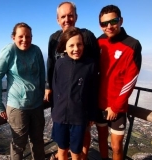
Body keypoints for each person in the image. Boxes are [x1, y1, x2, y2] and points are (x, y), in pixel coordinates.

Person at [44, 2, 100, 160]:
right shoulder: (54, 39)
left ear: (76, 17)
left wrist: (91, 110)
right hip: (62, 108)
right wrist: (48, 87)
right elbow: (51, 65)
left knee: (81, 139)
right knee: (62, 146)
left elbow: (94, 71)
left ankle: (84, 156)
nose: (67, 19)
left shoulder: (87, 36)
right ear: (57, 19)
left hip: (80, 107)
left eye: (70, 15)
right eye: (63, 16)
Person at [0, 22, 46, 160]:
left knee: (38, 141)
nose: (24, 40)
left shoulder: (36, 50)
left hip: (37, 105)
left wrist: (43, 92)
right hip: (17, 106)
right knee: (18, 145)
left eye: (28, 36)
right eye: (21, 36)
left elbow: (41, 74)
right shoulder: (9, 51)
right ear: (13, 37)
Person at [96, 5, 142, 160]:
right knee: (102, 139)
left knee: (116, 146)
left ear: (121, 20)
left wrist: (116, 106)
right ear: (100, 25)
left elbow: (131, 79)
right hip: (99, 102)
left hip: (117, 107)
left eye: (113, 21)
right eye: (104, 23)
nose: (109, 26)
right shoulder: (99, 42)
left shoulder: (132, 45)